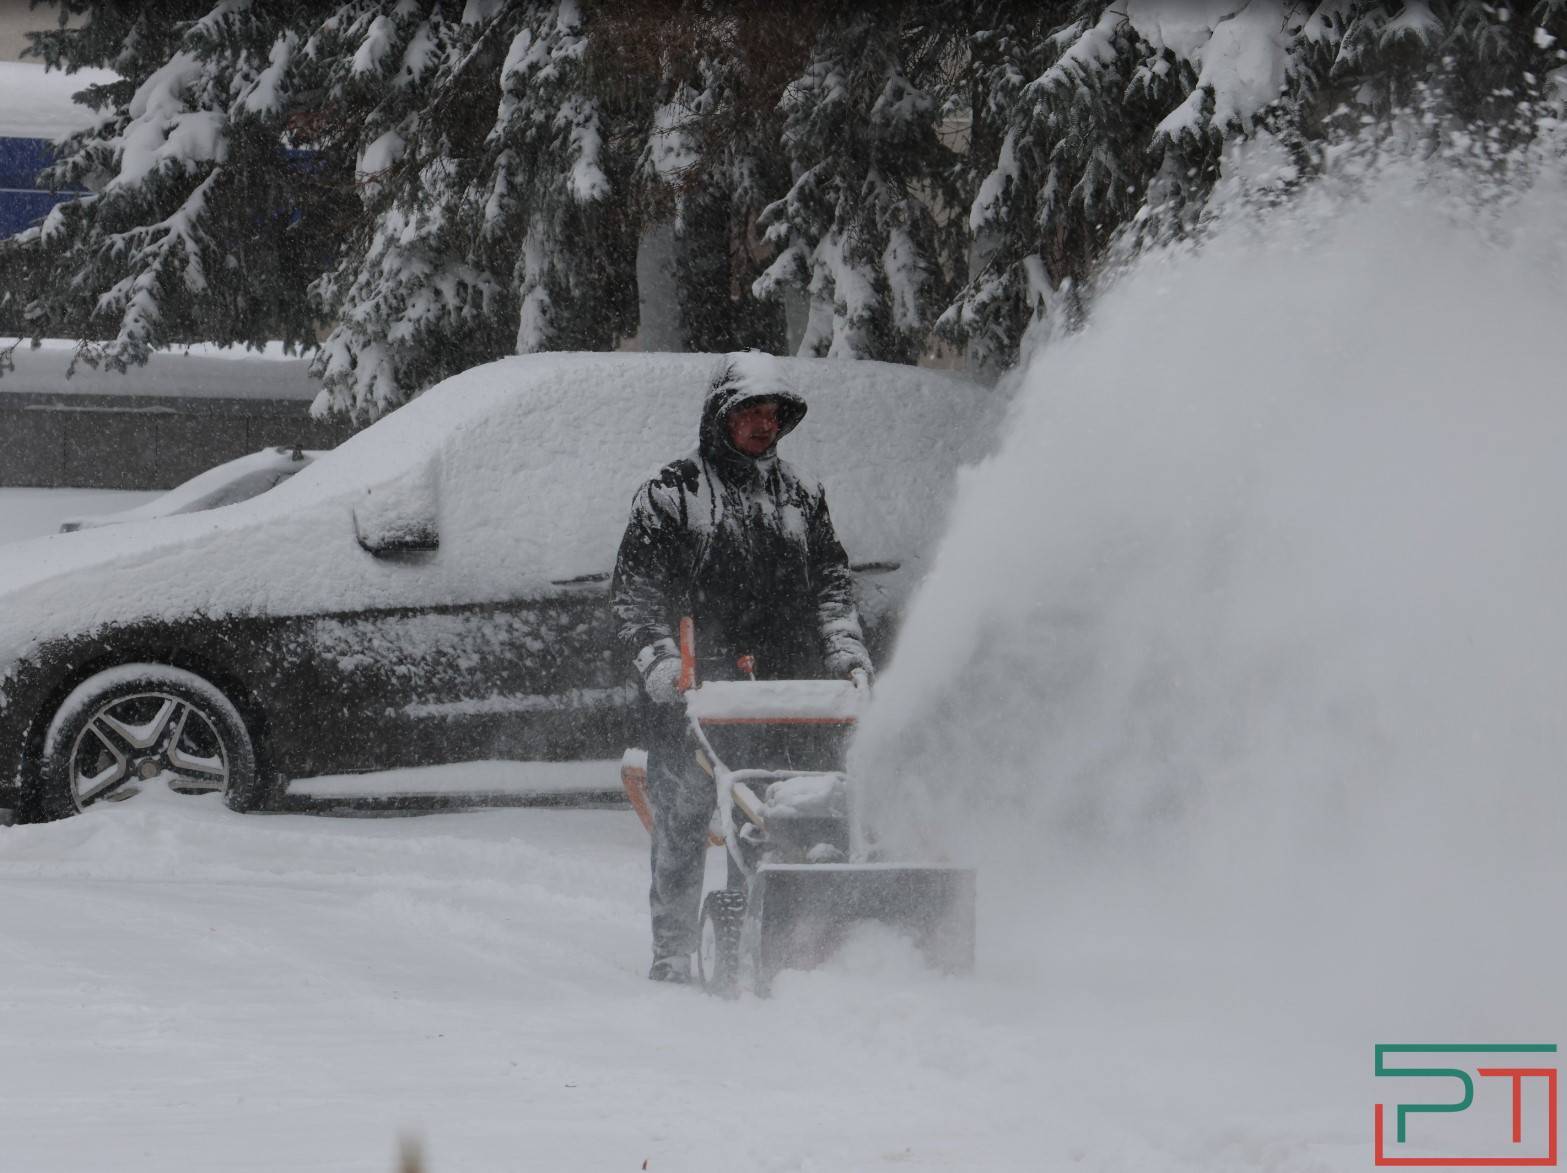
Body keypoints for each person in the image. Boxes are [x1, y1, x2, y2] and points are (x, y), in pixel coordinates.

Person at [610, 352, 874, 984]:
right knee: (684, 819)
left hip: (783, 691)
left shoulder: (801, 497)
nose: (763, 426)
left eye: (772, 414)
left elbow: (832, 586)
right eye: (749, 413)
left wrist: (844, 650)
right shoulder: (673, 493)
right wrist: (660, 661)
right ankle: (674, 952)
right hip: (694, 692)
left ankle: (763, 940)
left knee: (771, 818)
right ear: (720, 417)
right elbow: (635, 594)